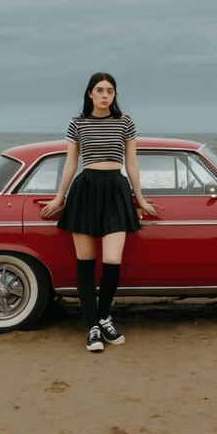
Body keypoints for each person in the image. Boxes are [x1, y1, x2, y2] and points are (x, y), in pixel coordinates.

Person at [41, 72, 157, 352]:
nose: (105, 95)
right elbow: (71, 163)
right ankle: (92, 326)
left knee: (112, 262)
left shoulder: (124, 122)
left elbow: (132, 163)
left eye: (110, 91)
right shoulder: (77, 123)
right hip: (85, 190)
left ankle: (104, 316)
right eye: (100, 90)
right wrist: (60, 197)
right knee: (85, 262)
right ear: (90, 94)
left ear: (114, 95)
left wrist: (139, 198)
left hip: (116, 189)